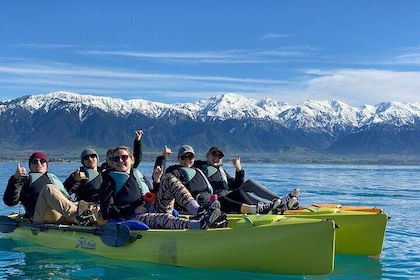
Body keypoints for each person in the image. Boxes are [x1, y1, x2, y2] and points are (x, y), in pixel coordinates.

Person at [98, 146, 226, 229]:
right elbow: (106, 211)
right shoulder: (109, 181)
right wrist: (133, 209)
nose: (120, 161)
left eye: (124, 157)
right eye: (116, 159)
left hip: (151, 207)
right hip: (133, 216)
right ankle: (200, 224)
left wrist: (157, 181)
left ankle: (199, 211)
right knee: (164, 218)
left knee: (168, 178)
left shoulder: (137, 175)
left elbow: (153, 194)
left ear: (131, 159)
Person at [153, 144, 279, 215]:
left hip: (220, 197)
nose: (187, 160)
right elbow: (162, 177)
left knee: (240, 191)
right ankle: (259, 209)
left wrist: (238, 169)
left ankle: (271, 205)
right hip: (205, 203)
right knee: (225, 198)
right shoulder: (190, 167)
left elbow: (235, 185)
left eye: (190, 157)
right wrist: (163, 157)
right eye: (184, 157)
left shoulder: (211, 170)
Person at [3, 152, 98, 226]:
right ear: (30, 165)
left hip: (61, 213)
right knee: (48, 188)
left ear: (46, 165)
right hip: (40, 216)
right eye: (34, 162)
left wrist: (74, 179)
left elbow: (64, 195)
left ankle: (100, 218)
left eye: (42, 161)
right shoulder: (25, 180)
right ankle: (79, 215)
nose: (38, 164)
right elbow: (10, 201)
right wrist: (15, 179)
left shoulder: (52, 178)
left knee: (87, 204)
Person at [196, 146, 300, 212]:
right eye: (214, 154)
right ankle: (268, 206)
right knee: (240, 193)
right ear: (207, 155)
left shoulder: (221, 171)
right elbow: (189, 166)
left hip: (230, 194)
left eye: (219, 156)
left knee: (249, 183)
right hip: (221, 199)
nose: (216, 158)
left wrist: (238, 169)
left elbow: (235, 184)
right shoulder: (200, 168)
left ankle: (280, 201)